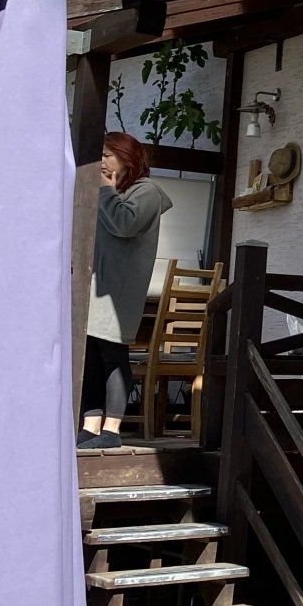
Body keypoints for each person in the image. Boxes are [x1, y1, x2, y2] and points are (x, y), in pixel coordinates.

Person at [78, 133, 171, 450]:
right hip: (96, 287)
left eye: (107, 154)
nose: (101, 161)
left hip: (119, 290)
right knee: (90, 355)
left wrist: (104, 190)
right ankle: (90, 426)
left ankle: (112, 428)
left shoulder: (147, 192)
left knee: (112, 354)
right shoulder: (111, 191)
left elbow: (124, 224)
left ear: (125, 156)